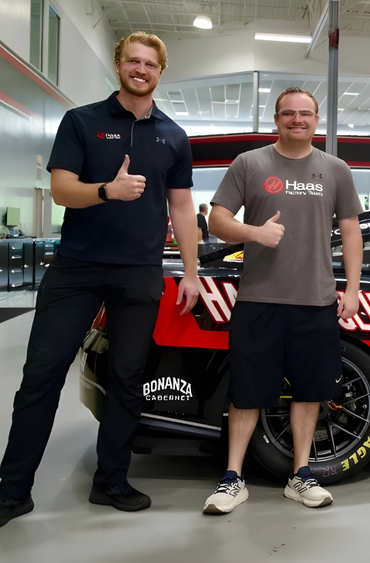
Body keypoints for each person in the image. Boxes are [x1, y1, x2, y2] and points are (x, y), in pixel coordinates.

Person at [0, 31, 199, 528]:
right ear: (119, 64)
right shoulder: (81, 121)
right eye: (132, 61)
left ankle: (111, 480)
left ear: (160, 71)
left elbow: (182, 207)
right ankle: (12, 490)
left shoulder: (173, 135)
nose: (140, 69)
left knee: (127, 379)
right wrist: (108, 191)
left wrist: (192, 271)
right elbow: (63, 189)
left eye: (149, 63)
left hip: (139, 274)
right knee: (41, 377)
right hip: (77, 270)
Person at [202, 87, 363, 514]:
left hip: (315, 301)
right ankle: (233, 478)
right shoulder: (249, 163)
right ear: (276, 119)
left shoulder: (336, 169)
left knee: (310, 393)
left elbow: (351, 230)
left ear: (316, 120)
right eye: (288, 113)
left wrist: (352, 288)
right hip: (259, 299)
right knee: (247, 392)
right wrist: (254, 233)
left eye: (305, 113)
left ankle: (300, 475)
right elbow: (216, 218)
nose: (297, 119)